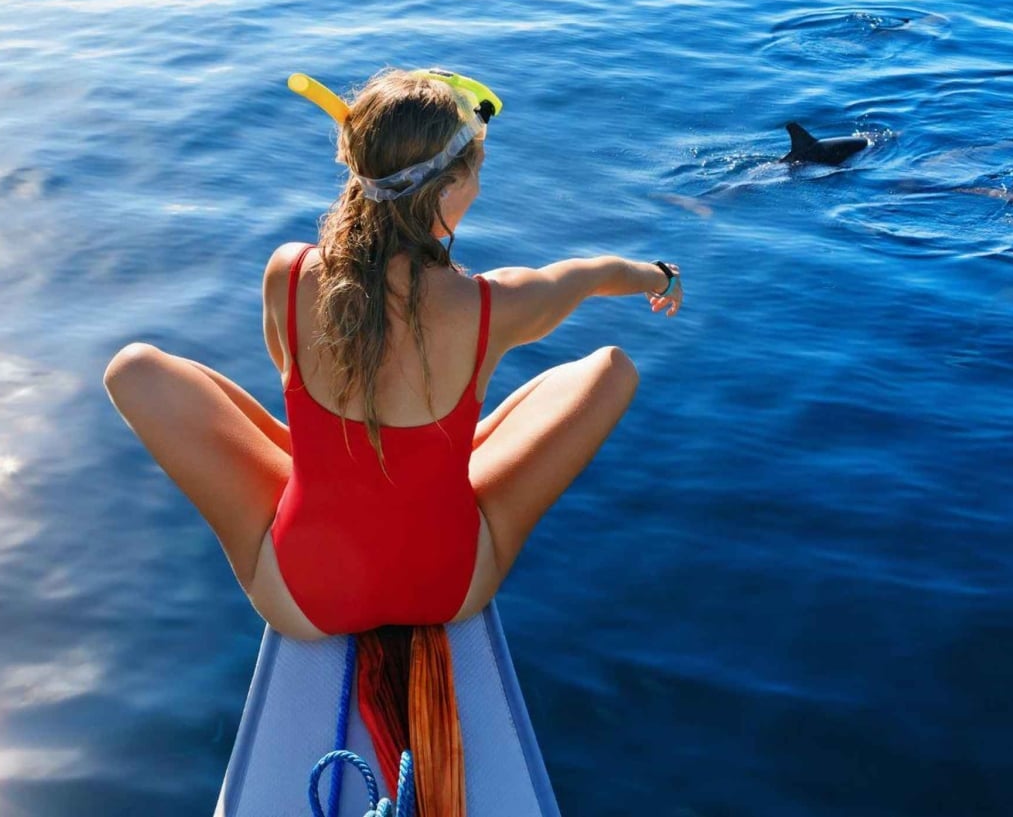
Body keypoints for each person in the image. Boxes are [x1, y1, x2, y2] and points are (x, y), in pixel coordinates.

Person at [102, 67, 683, 640]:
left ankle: (340, 471)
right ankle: (424, 463)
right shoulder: (494, 304)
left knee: (133, 368)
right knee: (611, 368)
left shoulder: (290, 270)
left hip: (301, 600)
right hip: (451, 589)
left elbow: (284, 363)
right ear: (451, 187)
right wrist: (660, 277)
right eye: (477, 170)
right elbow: (589, 275)